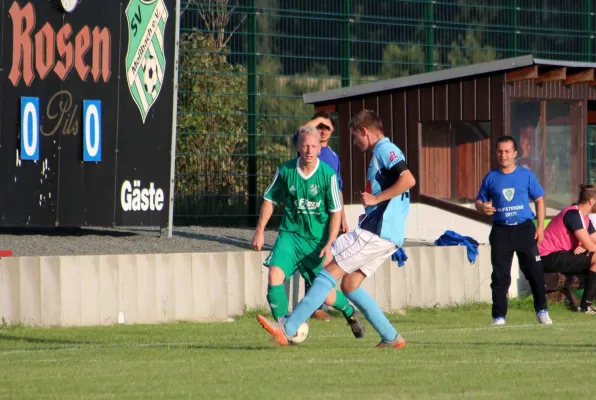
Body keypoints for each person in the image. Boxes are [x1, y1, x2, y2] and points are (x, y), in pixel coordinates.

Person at [256, 109, 416, 348]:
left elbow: (408, 180)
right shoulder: (384, 150)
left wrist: (377, 198)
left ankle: (287, 327)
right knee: (349, 285)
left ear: (364, 131)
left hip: (375, 232)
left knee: (326, 273)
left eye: (355, 136)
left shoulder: (384, 149)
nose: (354, 142)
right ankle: (391, 337)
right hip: (389, 236)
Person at [250, 125, 365, 339]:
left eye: (313, 146)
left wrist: (330, 243)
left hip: (316, 242)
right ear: (298, 147)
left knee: (328, 297)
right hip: (290, 236)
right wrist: (260, 231)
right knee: (274, 275)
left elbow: (335, 211)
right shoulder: (286, 171)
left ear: (320, 148)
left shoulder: (327, 175)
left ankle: (349, 311)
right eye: (305, 146)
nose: (309, 151)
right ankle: (284, 327)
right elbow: (270, 199)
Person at [475, 135, 552, 326]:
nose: (503, 155)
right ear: (496, 154)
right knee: (500, 275)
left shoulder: (526, 175)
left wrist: (540, 227)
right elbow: (479, 201)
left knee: (534, 271)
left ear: (515, 153)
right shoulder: (491, 177)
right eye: (500, 151)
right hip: (501, 231)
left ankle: (542, 311)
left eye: (507, 151)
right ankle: (499, 317)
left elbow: (540, 199)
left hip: (525, 229)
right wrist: (481, 207)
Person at [293, 112, 348, 321]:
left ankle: (318, 301)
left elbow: (338, 187)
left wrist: (343, 216)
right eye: (320, 127)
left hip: (329, 215)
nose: (323, 130)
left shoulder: (332, 156)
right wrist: (318, 122)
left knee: (323, 257)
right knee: (313, 257)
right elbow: (301, 131)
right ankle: (314, 306)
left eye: (327, 127)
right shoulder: (307, 149)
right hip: (308, 213)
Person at [539, 184, 596, 314]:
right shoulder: (573, 214)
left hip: (561, 255)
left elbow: (593, 242)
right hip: (547, 257)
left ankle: (586, 305)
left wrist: (585, 246)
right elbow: (592, 246)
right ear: (591, 201)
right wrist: (587, 246)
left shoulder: (585, 218)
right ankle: (585, 306)